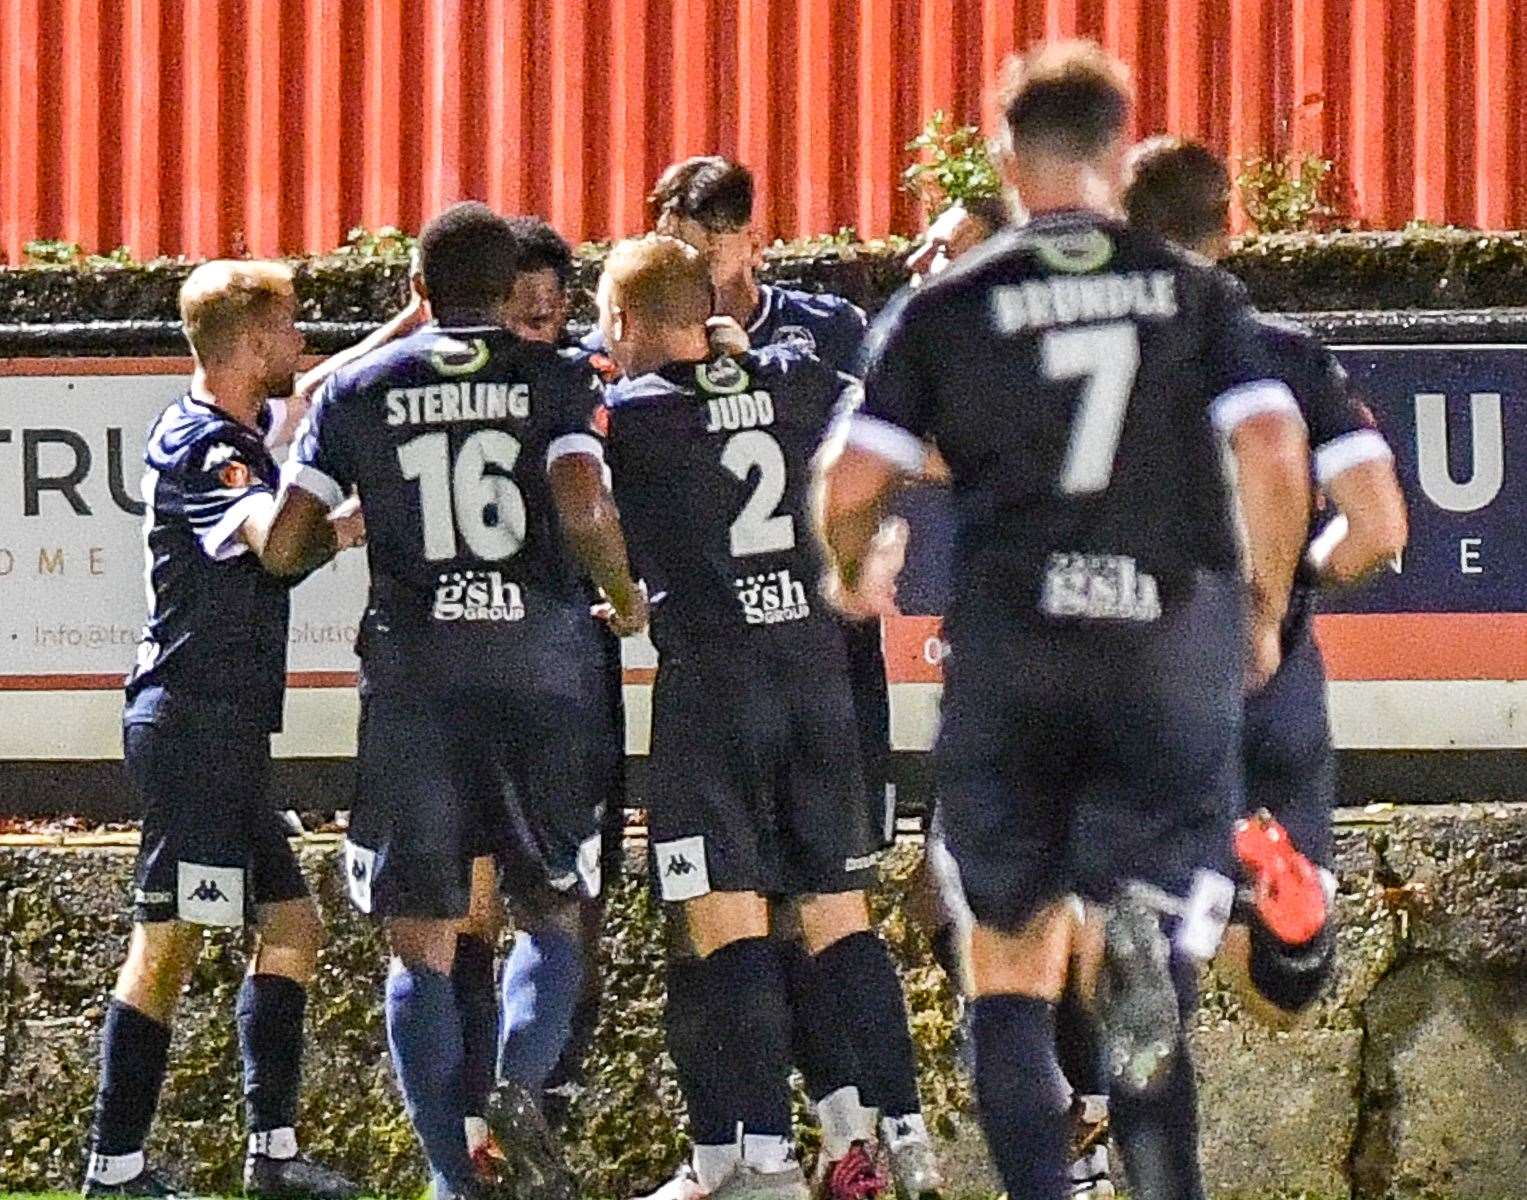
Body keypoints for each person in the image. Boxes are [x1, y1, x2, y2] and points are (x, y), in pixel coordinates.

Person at [815, 41, 1313, 1200]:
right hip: (1157, 644)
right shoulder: (1191, 293)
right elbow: (1275, 446)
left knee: (1008, 955)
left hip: (1016, 651)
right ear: (1116, 149)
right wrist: (1265, 602)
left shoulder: (952, 304)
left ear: (1003, 151)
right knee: (1143, 923)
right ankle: (1157, 1167)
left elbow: (849, 477)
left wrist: (857, 564)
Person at [261, 202, 647, 1200]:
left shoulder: (357, 386)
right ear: (506, 286)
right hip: (541, 672)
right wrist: (622, 595)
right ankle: (518, 1093)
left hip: (417, 681)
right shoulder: (563, 374)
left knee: (421, 941)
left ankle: (452, 1176)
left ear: (418, 292)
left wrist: (340, 529)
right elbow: (579, 502)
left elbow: (286, 545)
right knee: (552, 909)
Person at [597, 235, 928, 1200]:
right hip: (819, 678)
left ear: (622, 325)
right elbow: (870, 441)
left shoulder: (629, 411)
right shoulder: (799, 375)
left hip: (713, 687)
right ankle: (899, 1135)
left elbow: (583, 493)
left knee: (727, 926)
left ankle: (763, 1164)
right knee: (836, 917)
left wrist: (623, 596)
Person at [82, 261, 363, 1199]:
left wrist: (407, 325)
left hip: (227, 734)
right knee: (170, 941)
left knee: (292, 928)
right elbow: (278, 548)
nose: (301, 347)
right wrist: (349, 524)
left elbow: (319, 390)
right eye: (288, 331)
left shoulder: (225, 419)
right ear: (249, 344)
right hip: (192, 730)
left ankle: (272, 1158)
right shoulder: (212, 453)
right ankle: (113, 1169)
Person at [1122, 136, 1408, 1023]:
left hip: (1144, 670)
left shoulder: (1098, 356)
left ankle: (1107, 1116)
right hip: (1274, 667)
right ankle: (1291, 932)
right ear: (1228, 229)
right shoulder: (1285, 351)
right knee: (1280, 1004)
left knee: (1106, 919)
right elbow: (1378, 529)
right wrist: (1292, 591)